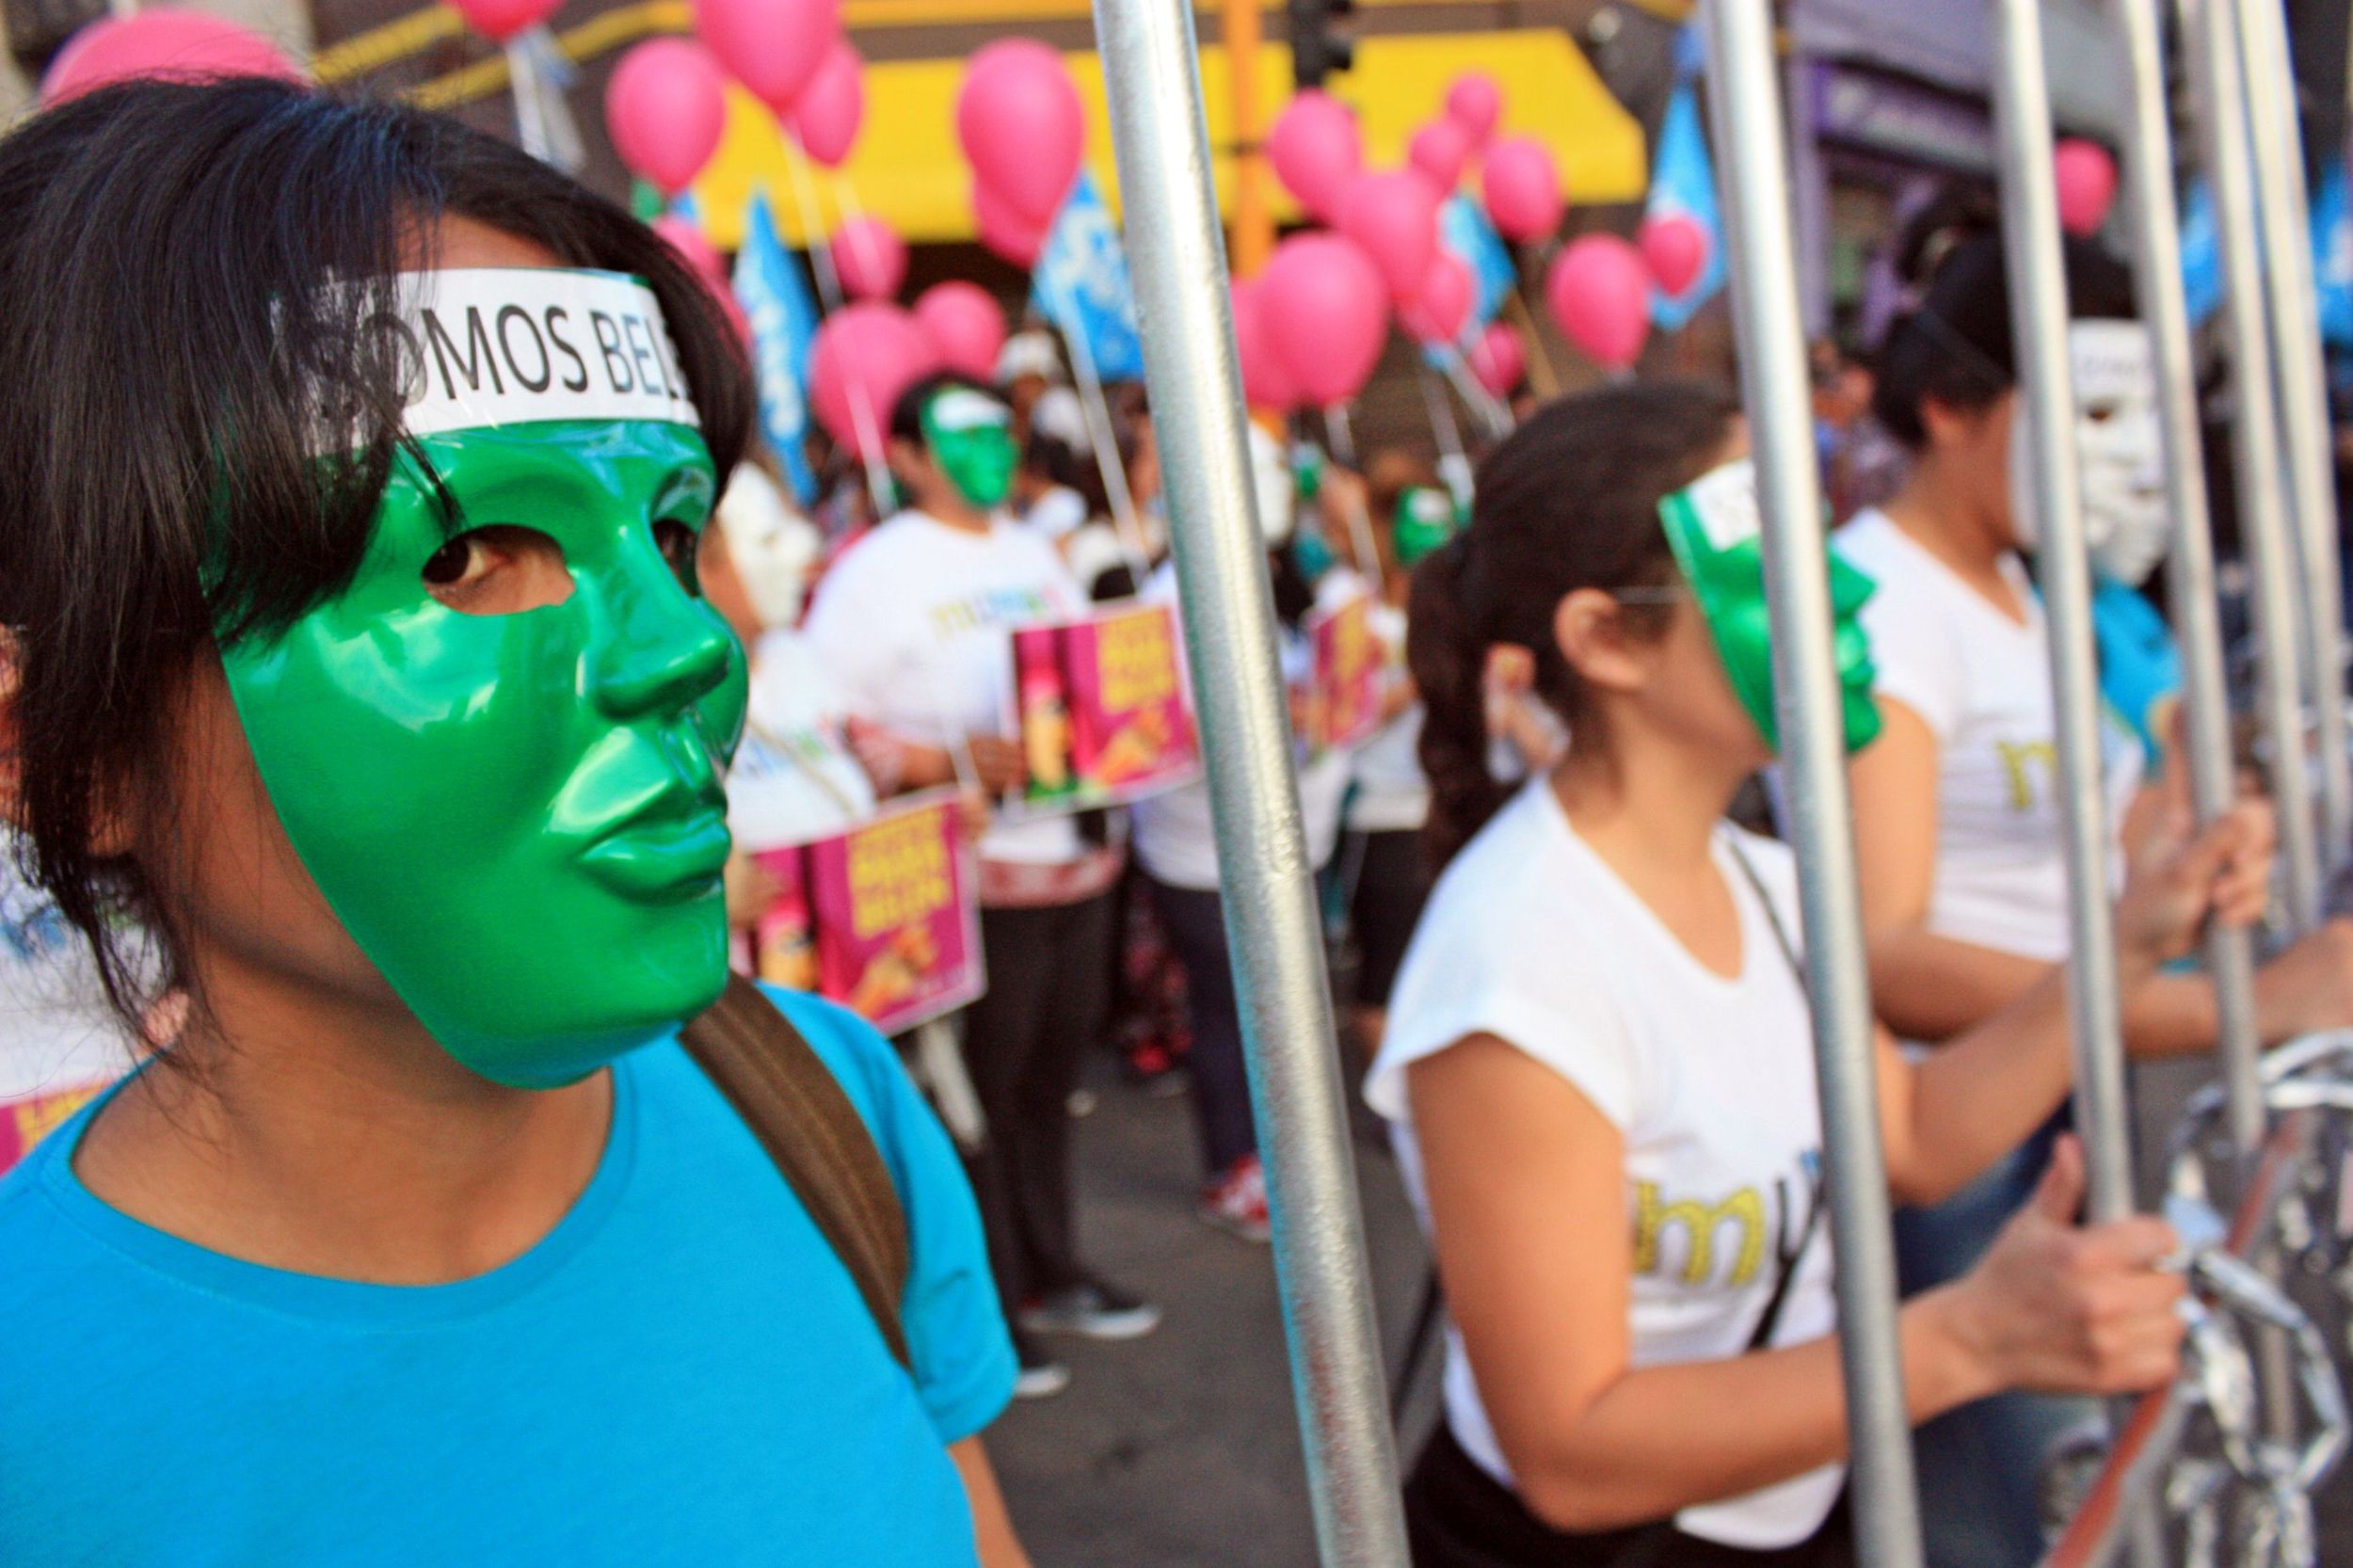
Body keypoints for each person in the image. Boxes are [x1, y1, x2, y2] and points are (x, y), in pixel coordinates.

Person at [0, 81, 1028, 1566]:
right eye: (470, 551)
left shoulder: (821, 1101)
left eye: (669, 534)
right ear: (60, 755)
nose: (685, 648)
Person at [1369, 383, 2270, 1568]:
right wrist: (1970, 1340)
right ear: (1603, 639)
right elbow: (1574, 1451)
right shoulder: (1520, 971)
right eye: (1773, 564)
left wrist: (2128, 939)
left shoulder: (1767, 880)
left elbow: (1905, 1135)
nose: (1846, 593)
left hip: (1788, 1513)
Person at [1840, 206, 2353, 1568]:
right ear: (1953, 402)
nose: (2118, 458)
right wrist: (2232, 1004)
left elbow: (2073, 827)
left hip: (2065, 1094)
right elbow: (1880, 947)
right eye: (2086, 408)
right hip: (1947, 1141)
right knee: (1993, 1516)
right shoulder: (1881, 605)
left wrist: (2175, 854)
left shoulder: (2020, 583)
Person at [803, 371, 1160, 1396]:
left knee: (1050, 1082)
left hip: (1075, 863)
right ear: (908, 456)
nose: (989, 451)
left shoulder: (1030, 554)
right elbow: (833, 726)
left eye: (996, 430)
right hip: (968, 885)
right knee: (979, 1101)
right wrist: (945, 763)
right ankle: (990, 1307)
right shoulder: (872, 573)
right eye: (959, 434)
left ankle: (1056, 1268)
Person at [1132, 426, 1356, 1240]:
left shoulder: (1281, 577)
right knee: (1230, 1011)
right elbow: (1159, 728)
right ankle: (1235, 1168)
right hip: (1201, 851)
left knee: (1282, 1005)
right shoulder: (1168, 598)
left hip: (1292, 837)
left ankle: (1282, 1157)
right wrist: (1273, 716)